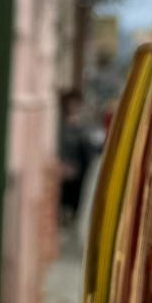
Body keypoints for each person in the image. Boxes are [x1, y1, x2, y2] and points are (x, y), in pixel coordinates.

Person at [57, 89, 89, 228]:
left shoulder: (82, 126)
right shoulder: (60, 125)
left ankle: (71, 216)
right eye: (71, 104)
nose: (73, 107)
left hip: (77, 168)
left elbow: (85, 149)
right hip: (63, 166)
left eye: (76, 104)